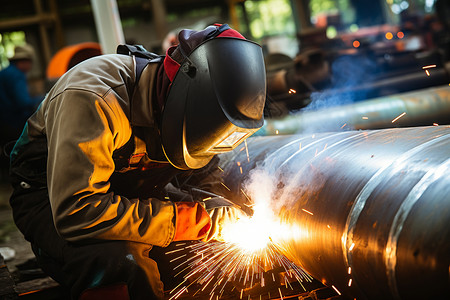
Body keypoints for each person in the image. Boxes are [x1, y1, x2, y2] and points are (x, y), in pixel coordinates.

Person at [9, 24, 266, 300]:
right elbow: (76, 210)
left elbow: (203, 174)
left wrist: (220, 211)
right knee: (124, 263)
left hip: (130, 187)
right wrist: (186, 220)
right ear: (179, 97)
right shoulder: (93, 98)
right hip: (53, 199)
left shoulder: (194, 108)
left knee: (204, 249)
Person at [0, 44, 43, 178]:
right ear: (24, 62)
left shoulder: (4, 73)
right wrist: (43, 98)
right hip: (14, 122)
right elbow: (23, 102)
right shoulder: (17, 75)